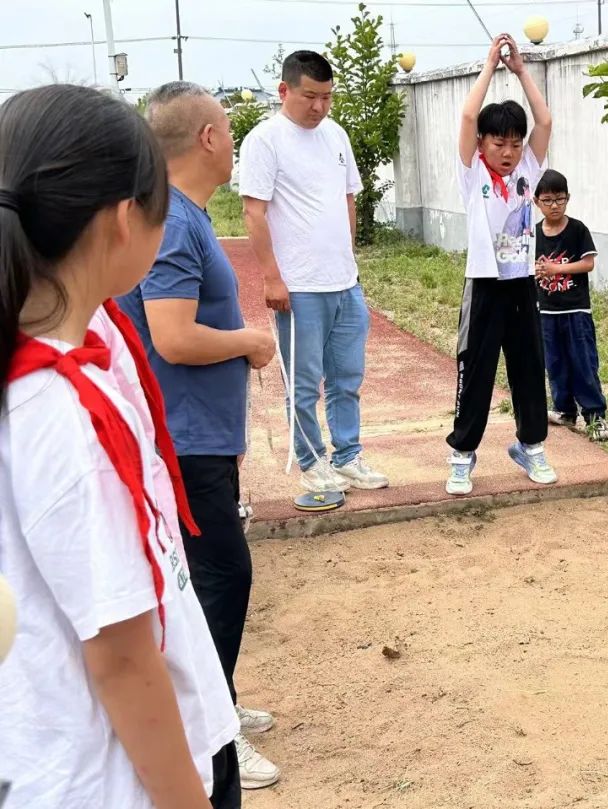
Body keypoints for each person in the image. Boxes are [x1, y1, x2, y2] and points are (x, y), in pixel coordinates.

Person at [0, 84, 238, 809]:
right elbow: (122, 657)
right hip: (112, 775)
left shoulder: (83, 328)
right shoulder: (60, 411)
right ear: (123, 221)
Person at [117, 81, 281, 790]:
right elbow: (174, 337)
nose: (234, 139)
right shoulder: (175, 224)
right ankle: (208, 730)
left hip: (201, 436)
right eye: (228, 127)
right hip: (182, 441)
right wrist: (249, 340)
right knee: (220, 576)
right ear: (209, 138)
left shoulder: (185, 216)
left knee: (210, 577)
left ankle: (224, 705)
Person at [239, 50, 387, 495]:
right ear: (284, 91)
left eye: (327, 97)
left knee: (347, 377)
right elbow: (253, 212)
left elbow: (348, 200)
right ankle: (311, 460)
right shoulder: (265, 141)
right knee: (304, 384)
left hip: (345, 282)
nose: (319, 107)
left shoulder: (336, 136)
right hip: (298, 288)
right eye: (310, 97)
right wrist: (271, 277)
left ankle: (347, 456)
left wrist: (350, 260)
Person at [446, 34, 555, 496]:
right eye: (499, 143)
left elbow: (545, 119)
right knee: (477, 369)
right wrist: (490, 65)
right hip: (485, 286)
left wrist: (523, 71)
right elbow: (469, 116)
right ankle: (462, 454)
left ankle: (530, 445)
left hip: (521, 286)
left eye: (514, 143)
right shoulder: (473, 176)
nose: (508, 152)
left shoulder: (529, 170)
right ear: (483, 145)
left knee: (529, 367)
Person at [534, 169, 608, 442]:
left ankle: (595, 416)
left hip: (576, 310)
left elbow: (588, 263)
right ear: (536, 201)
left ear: (568, 199)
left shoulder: (577, 229)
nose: (554, 205)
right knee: (555, 362)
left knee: (583, 362)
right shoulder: (533, 234)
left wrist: (556, 268)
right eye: (547, 200)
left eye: (560, 199)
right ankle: (564, 409)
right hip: (546, 311)